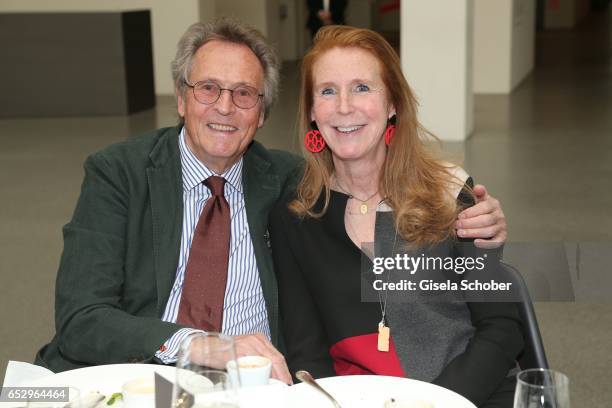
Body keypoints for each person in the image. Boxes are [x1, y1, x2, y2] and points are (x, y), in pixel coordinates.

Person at [35, 18, 507, 384]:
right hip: (140, 378)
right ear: (181, 98)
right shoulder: (118, 173)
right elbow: (80, 318)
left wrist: (467, 204)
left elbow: (377, 189)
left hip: (250, 386)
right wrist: (196, 344)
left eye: (244, 94)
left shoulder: (288, 184)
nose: (224, 107)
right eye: (208, 89)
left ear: (262, 113)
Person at [269, 25, 522, 407]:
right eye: (327, 91)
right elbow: (307, 350)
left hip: (471, 395)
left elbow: (502, 327)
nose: (343, 106)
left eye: (362, 87)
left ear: (393, 105)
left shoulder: (449, 193)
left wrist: (437, 402)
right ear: (311, 113)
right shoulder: (297, 214)